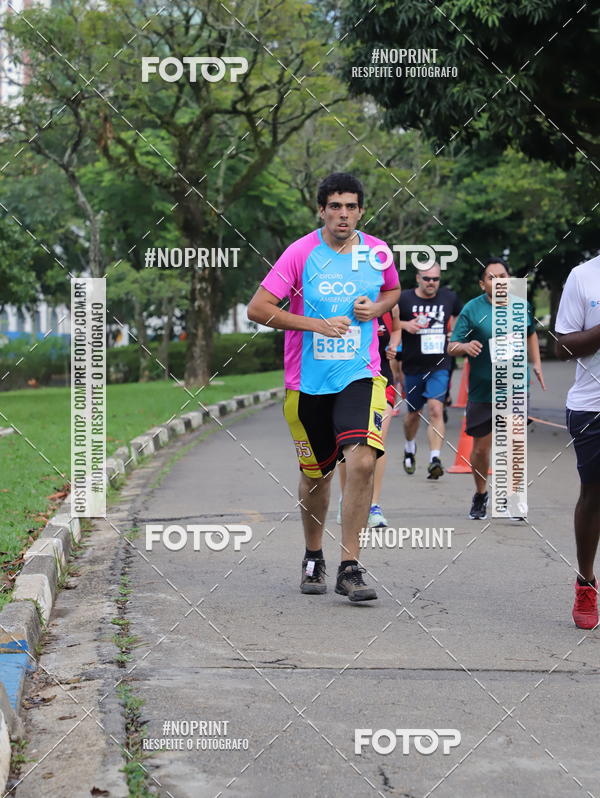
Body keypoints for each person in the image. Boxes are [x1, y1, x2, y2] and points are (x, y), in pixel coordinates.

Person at [247, 172, 400, 602]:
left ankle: (350, 567)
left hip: (360, 374)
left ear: (362, 211)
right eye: (335, 206)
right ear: (322, 210)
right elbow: (258, 308)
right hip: (307, 383)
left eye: (351, 206)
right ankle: (313, 555)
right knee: (316, 477)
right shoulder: (300, 252)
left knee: (364, 460)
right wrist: (315, 324)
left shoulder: (378, 253)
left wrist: (378, 307)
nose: (343, 214)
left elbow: (393, 292)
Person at [449, 258, 545, 520]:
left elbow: (530, 332)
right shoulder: (472, 309)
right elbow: (452, 345)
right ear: (483, 284)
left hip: (515, 385)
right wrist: (466, 347)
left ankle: (513, 497)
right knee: (481, 449)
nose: (499, 281)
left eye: (503, 275)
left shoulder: (521, 307)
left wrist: (535, 363)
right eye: (492, 277)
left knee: (513, 441)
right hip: (482, 391)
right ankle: (481, 493)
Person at [555, 254, 600, 629]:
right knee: (594, 495)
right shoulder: (583, 277)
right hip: (593, 406)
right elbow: (563, 346)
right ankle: (586, 582)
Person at [337, 306, 402, 528]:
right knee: (350, 444)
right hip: (348, 381)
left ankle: (373, 505)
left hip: (381, 381)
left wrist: (394, 345)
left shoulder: (389, 303)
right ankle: (347, 499)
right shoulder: (345, 302)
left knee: (376, 442)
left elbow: (397, 326)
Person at [397, 262, 462, 479]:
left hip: (439, 365)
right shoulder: (404, 298)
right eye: (427, 279)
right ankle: (409, 446)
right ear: (418, 278)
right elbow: (389, 321)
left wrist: (456, 335)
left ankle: (435, 458)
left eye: (435, 279)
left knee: (435, 408)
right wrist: (406, 326)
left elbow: (459, 317)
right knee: (413, 415)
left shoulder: (449, 298)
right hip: (413, 365)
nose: (431, 283)